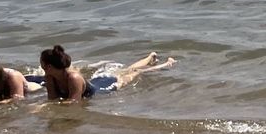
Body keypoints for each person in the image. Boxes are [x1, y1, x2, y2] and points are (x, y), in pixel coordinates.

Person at [36, 47, 175, 102]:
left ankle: (165, 64)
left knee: (135, 72)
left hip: (105, 86)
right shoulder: (50, 77)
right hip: (97, 80)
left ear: (49, 66)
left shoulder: (73, 77)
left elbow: (74, 103)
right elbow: (52, 99)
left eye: (42, 62)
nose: (40, 64)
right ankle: (150, 58)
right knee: (128, 69)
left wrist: (44, 108)